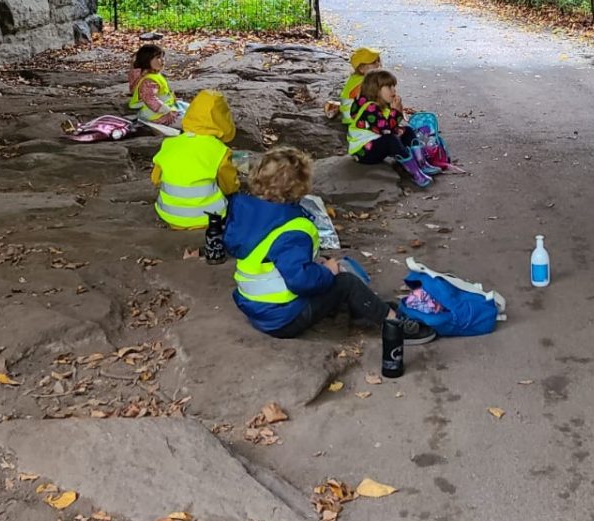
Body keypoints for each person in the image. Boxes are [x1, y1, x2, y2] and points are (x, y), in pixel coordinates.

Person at [222, 145, 436, 343]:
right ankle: (394, 324)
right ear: (300, 187)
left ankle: (368, 307)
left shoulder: (247, 214)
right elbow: (300, 281)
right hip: (282, 318)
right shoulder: (293, 229)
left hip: (255, 308)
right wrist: (327, 272)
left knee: (329, 271)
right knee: (345, 282)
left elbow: (271, 258)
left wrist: (316, 264)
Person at [150, 90, 241, 228]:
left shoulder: (169, 144)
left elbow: (155, 180)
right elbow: (229, 187)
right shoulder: (220, 150)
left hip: (169, 214)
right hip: (209, 218)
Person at [346, 69, 435, 187]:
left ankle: (421, 163)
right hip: (363, 152)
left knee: (406, 130)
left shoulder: (380, 103)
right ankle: (415, 173)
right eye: (389, 87)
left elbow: (389, 125)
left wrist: (397, 111)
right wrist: (395, 111)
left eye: (394, 86)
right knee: (390, 139)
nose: (394, 90)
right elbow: (386, 128)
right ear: (375, 89)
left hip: (375, 141)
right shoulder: (370, 108)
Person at [128, 44, 187, 126]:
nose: (163, 60)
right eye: (158, 58)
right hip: (156, 114)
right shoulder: (148, 81)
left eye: (163, 57)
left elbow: (162, 92)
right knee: (189, 122)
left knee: (188, 107)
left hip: (165, 106)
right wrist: (167, 111)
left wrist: (172, 99)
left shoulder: (154, 75)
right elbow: (150, 99)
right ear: (146, 60)